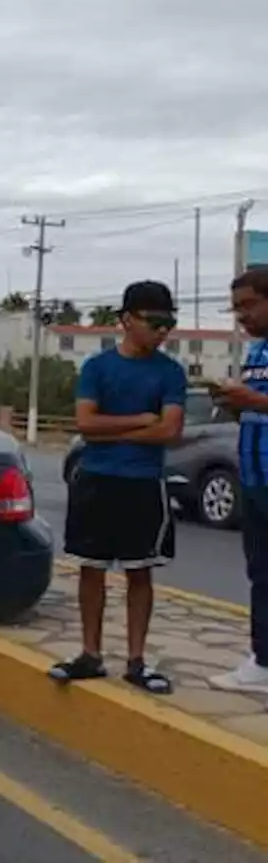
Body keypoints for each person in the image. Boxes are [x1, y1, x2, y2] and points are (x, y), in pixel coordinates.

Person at [49, 280, 186, 694]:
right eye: (154, 322)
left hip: (144, 485)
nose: (163, 332)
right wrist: (141, 421)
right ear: (127, 320)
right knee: (91, 570)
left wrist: (116, 430)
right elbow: (85, 424)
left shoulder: (171, 372)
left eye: (169, 323)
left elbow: (170, 430)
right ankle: (90, 655)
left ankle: (136, 661)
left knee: (139, 572)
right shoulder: (97, 368)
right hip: (96, 482)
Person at [206, 268, 268, 693]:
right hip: (254, 481)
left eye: (249, 305)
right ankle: (262, 662)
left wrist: (256, 401)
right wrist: (235, 404)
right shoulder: (257, 353)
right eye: (236, 308)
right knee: (261, 575)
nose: (241, 316)